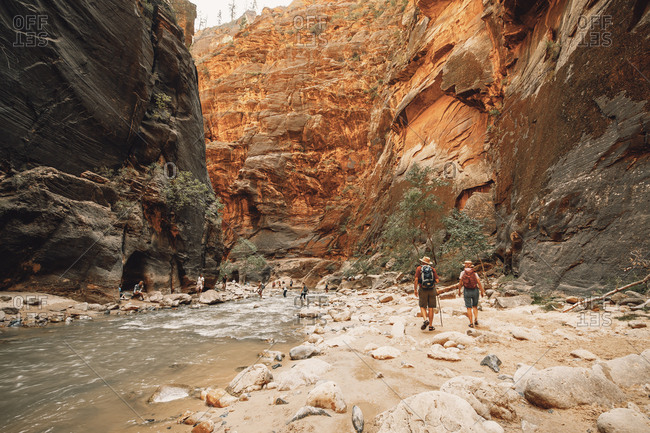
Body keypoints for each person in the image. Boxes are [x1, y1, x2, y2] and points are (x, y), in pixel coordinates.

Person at [414, 256, 439, 331]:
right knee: (431, 307)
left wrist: (415, 289)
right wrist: (432, 283)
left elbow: (416, 280)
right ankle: (431, 326)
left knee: (422, 306)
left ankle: (425, 320)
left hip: (423, 289)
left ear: (422, 262)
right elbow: (437, 280)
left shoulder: (419, 268)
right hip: (432, 289)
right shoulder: (432, 269)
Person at [458, 260, 485, 328]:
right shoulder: (474, 273)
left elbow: (460, 283)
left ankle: (471, 323)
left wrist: (459, 291)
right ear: (471, 265)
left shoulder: (462, 273)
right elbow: (478, 282)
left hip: (467, 291)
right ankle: (476, 319)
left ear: (464, 265)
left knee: (468, 307)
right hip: (475, 290)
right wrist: (482, 291)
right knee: (475, 306)